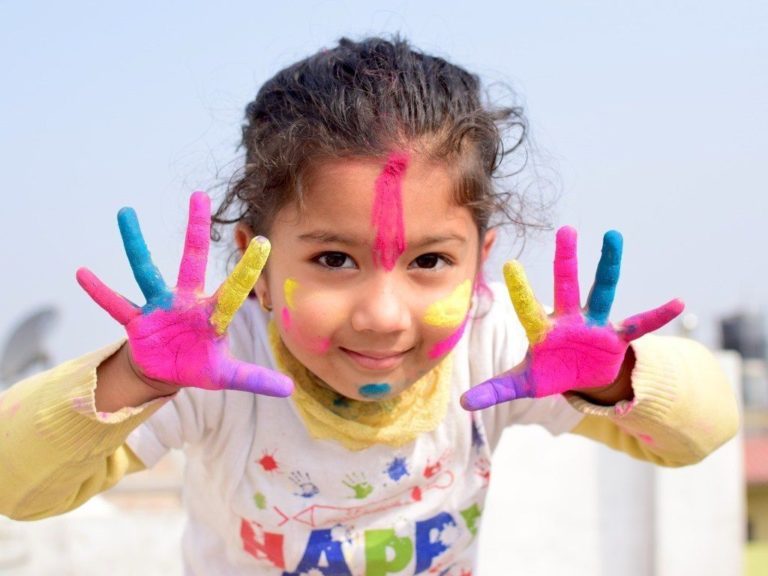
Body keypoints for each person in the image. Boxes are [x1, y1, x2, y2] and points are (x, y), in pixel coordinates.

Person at [0, 36, 738, 575]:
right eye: (331, 260)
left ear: (482, 260)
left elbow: (703, 432)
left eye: (429, 262)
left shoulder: (500, 350)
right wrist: (136, 377)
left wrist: (610, 381)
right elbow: (16, 487)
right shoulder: (216, 370)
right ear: (255, 262)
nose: (383, 315)